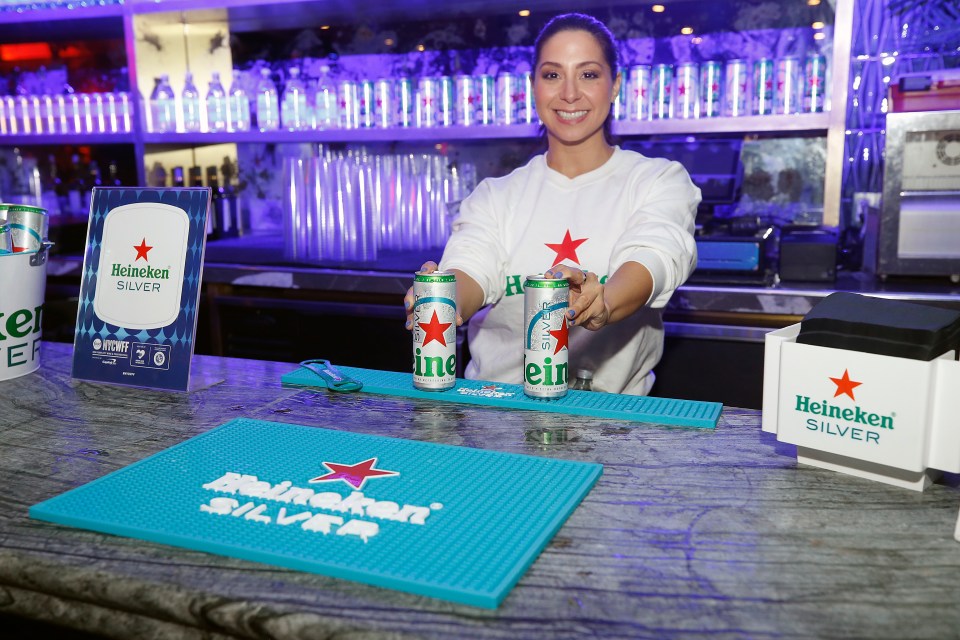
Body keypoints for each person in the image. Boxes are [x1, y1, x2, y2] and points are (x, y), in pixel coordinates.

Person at [404, 12, 700, 395]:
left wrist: (603, 303)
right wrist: (441, 297)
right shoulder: (495, 196)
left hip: (614, 423)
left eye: (589, 74)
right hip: (496, 416)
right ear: (533, 86)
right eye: (552, 74)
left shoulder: (658, 180)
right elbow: (471, 267)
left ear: (615, 85)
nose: (570, 93)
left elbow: (657, 255)